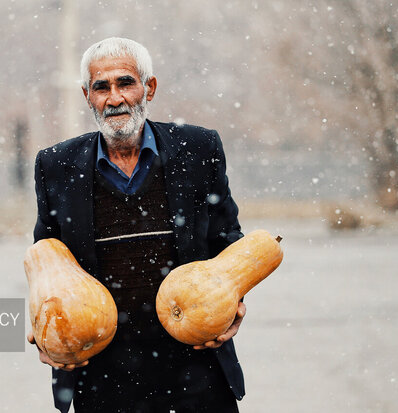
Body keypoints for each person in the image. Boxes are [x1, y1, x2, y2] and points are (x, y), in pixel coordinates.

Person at [29, 37, 247, 413]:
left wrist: (235, 301)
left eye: (125, 83)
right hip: (100, 374)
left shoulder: (198, 149)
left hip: (196, 367)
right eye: (101, 87)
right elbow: (48, 261)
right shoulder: (56, 166)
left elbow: (228, 240)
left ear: (149, 88)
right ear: (87, 96)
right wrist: (45, 329)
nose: (115, 99)